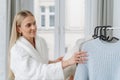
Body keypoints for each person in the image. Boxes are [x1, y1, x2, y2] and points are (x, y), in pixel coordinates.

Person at [8, 10, 88, 80]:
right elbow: (38, 72)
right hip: (40, 76)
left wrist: (53, 62)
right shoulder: (17, 51)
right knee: (72, 61)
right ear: (19, 29)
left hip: (45, 75)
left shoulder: (40, 41)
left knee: (78, 49)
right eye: (28, 25)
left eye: (34, 23)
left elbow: (40, 62)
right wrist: (67, 62)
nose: (33, 27)